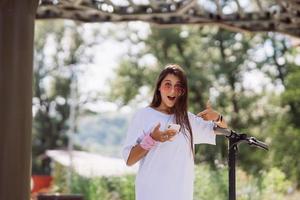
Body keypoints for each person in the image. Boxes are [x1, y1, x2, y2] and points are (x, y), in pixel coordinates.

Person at [122, 64, 228, 200]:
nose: (172, 90)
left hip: (181, 195)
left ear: (182, 92)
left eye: (178, 86)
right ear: (159, 87)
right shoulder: (143, 115)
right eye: (167, 85)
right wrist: (152, 138)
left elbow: (225, 131)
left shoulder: (188, 119)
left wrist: (218, 117)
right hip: (150, 194)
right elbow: (130, 160)